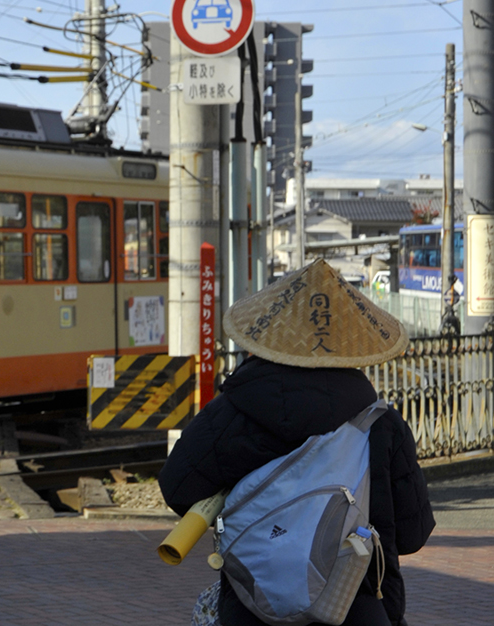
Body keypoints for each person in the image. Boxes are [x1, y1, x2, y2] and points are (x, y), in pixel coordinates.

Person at [159, 259, 435, 626]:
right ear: (351, 347)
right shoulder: (380, 424)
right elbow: (412, 533)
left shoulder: (232, 413)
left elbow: (178, 488)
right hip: (356, 606)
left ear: (267, 339)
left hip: (252, 604)